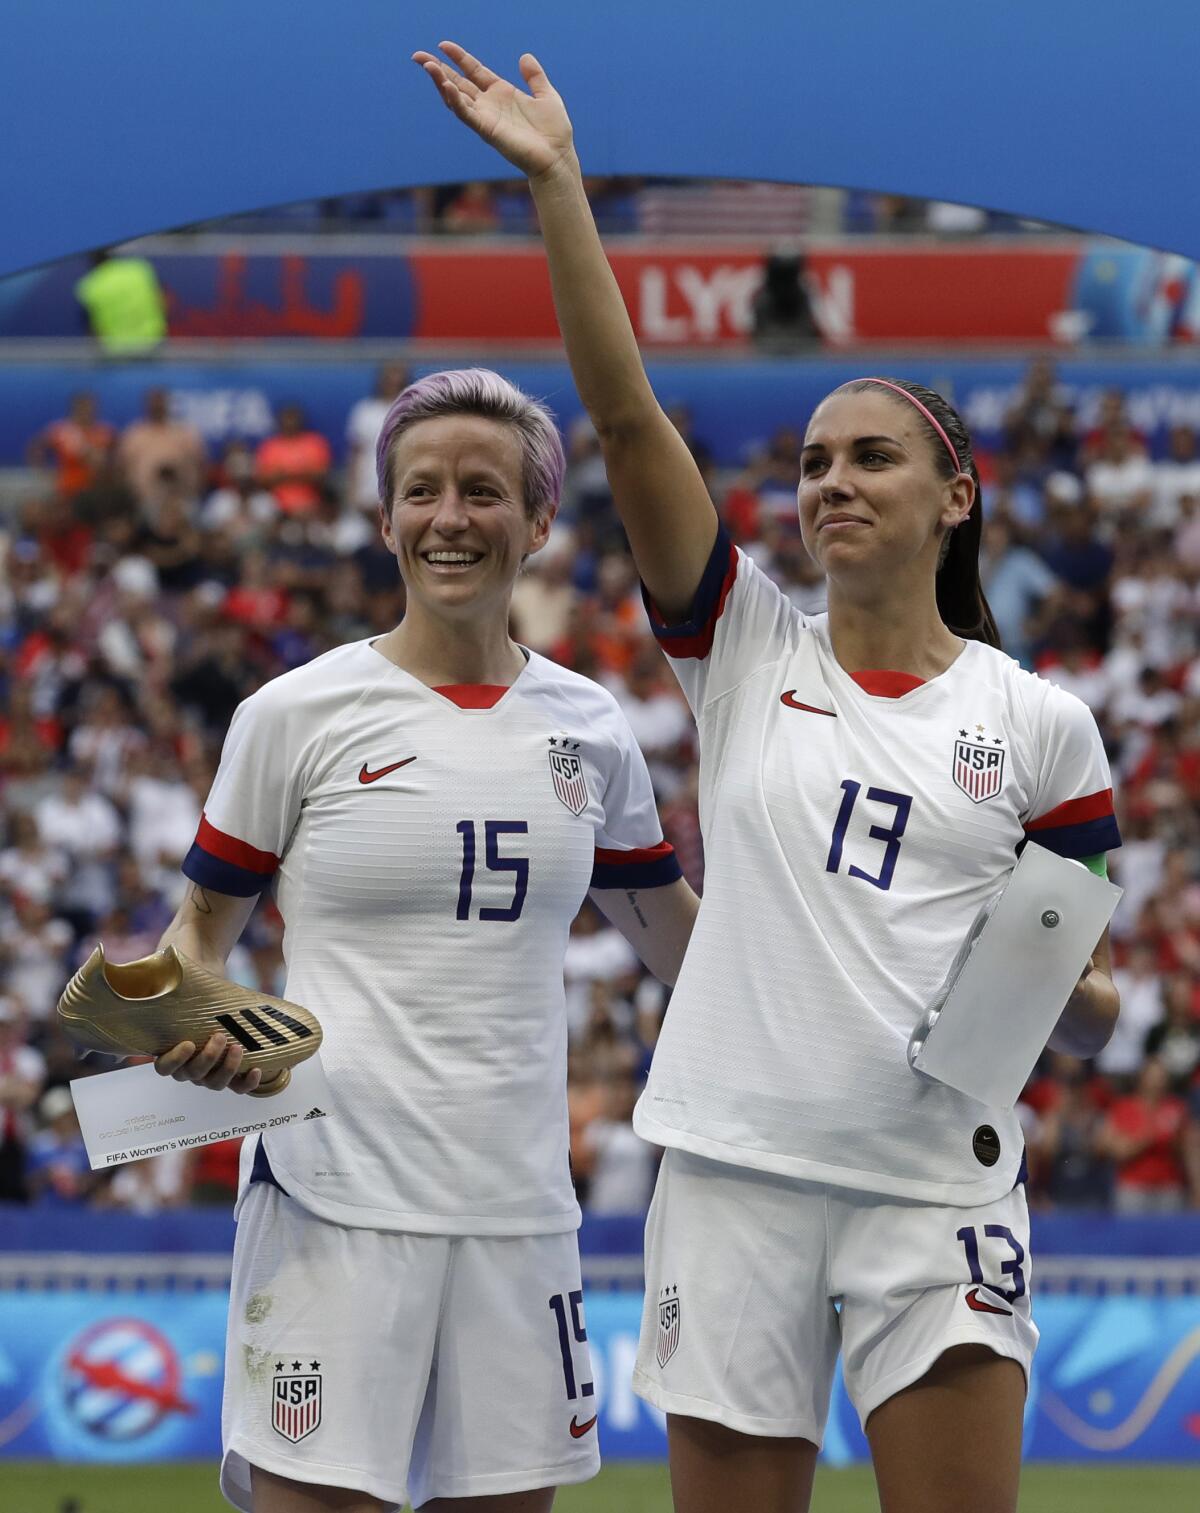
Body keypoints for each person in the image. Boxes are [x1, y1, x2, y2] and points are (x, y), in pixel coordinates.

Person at [416, 44, 1123, 1513]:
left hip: (939, 1182)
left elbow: (1082, 995)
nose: (832, 483)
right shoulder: (744, 648)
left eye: (872, 457)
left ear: (957, 492)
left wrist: (1055, 986)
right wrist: (558, 182)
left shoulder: (1044, 726)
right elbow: (624, 424)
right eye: (812, 462)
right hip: (735, 1165)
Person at [150, 366, 699, 1513]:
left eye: (484, 490)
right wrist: (196, 1020)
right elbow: (201, 925)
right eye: (423, 490)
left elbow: (678, 943)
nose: (451, 516)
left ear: (540, 520)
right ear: (386, 515)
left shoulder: (592, 730)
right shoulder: (293, 715)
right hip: (328, 1198)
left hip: (518, 1212)